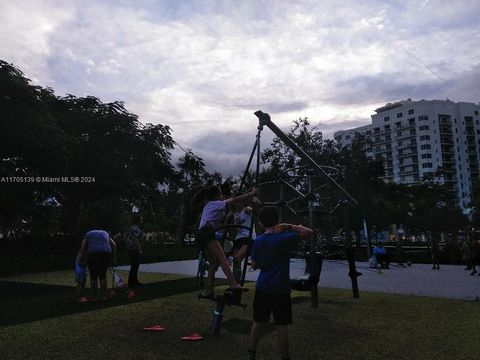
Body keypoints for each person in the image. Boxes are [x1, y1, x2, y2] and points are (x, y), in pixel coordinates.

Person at [247, 206, 313, 360]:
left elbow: (255, 264)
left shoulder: (258, 241)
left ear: (262, 224)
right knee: (281, 325)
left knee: (258, 322)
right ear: (278, 221)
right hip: (281, 289)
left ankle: (251, 355)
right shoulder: (286, 237)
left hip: (263, 286)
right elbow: (308, 232)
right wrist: (289, 226)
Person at [194, 185, 257, 297]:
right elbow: (234, 200)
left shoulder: (209, 205)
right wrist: (251, 194)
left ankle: (210, 290)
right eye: (221, 194)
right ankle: (233, 283)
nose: (222, 196)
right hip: (207, 232)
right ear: (216, 196)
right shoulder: (215, 203)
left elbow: (230, 202)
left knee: (213, 263)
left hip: (200, 235)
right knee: (222, 257)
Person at [79, 229, 117, 301]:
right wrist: (114, 257)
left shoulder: (88, 234)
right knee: (103, 275)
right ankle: (103, 296)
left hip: (92, 254)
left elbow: (83, 247)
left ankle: (94, 297)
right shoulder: (105, 233)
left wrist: (82, 257)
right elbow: (114, 245)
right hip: (105, 253)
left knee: (93, 276)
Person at [231, 200, 259, 282]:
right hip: (238, 239)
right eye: (236, 202)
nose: (237, 203)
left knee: (237, 258)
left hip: (248, 238)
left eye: (239, 201)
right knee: (235, 262)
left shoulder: (246, 209)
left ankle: (237, 283)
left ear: (243, 201)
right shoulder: (235, 214)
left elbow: (254, 211)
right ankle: (235, 283)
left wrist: (255, 204)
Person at [126, 215, 145, 288]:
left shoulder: (135, 228)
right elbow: (135, 239)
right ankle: (131, 283)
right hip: (133, 248)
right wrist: (139, 248)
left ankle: (135, 281)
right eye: (141, 220)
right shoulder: (135, 228)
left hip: (133, 248)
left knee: (136, 265)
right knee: (134, 265)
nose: (142, 221)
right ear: (138, 221)